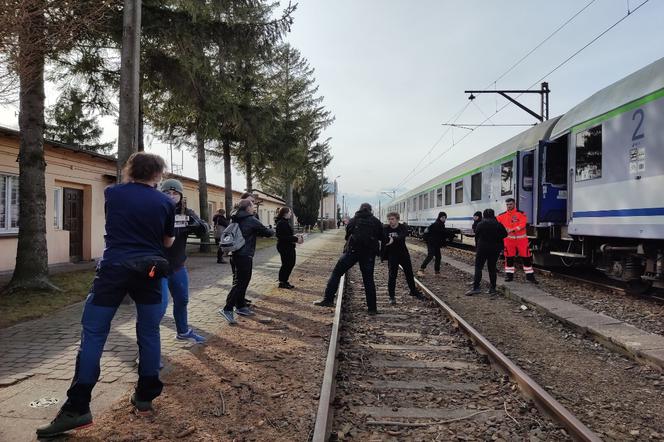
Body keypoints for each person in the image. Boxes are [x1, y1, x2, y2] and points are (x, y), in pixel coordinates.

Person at [37, 153, 175, 438]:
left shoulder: (113, 192)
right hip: (149, 270)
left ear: (130, 170)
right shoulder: (165, 202)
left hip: (113, 269)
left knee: (94, 332)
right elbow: (168, 241)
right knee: (149, 331)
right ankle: (145, 398)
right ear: (158, 175)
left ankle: (77, 408)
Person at [160, 178, 208, 344]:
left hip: (177, 266)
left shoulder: (186, 212)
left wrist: (200, 226)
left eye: (175, 193)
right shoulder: (155, 210)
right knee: (157, 307)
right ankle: (147, 350)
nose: (172, 196)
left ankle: (183, 332)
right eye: (167, 193)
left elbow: (203, 230)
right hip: (157, 267)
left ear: (181, 196)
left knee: (182, 299)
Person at [314, 203, 383, 315]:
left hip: (352, 252)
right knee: (368, 279)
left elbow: (347, 235)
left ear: (360, 209)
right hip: (369, 254)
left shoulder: (354, 219)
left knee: (336, 273)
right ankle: (372, 308)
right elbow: (381, 237)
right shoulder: (376, 221)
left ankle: (328, 299)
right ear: (370, 210)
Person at [219, 199, 274, 324]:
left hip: (235, 253)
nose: (253, 208)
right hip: (244, 255)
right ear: (248, 207)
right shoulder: (250, 219)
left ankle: (240, 306)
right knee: (241, 282)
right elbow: (267, 233)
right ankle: (227, 309)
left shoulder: (235, 217)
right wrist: (271, 230)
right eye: (252, 205)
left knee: (239, 281)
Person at [382, 212, 423, 304]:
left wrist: (392, 240)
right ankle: (391, 296)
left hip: (403, 254)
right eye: (389, 219)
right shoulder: (385, 228)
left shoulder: (402, 227)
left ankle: (413, 291)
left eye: (392, 219)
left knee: (409, 273)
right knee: (392, 275)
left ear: (397, 219)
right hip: (392, 255)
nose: (390, 221)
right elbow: (383, 238)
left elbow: (402, 237)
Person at [465, 209, 508, 296]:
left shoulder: (481, 224)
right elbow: (505, 234)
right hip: (495, 249)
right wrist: (497, 238)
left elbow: (476, 235)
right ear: (493, 215)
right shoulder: (498, 224)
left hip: (482, 249)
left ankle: (476, 288)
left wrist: (478, 246)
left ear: (484, 215)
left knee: (478, 267)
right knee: (492, 268)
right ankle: (492, 288)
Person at [497, 198, 537, 283]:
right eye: (507, 204)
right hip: (508, 240)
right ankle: (509, 276)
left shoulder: (521, 213)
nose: (509, 206)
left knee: (526, 257)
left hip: (522, 240)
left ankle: (530, 277)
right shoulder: (501, 215)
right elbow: (495, 223)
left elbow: (522, 224)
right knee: (508, 258)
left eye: (510, 204)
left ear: (514, 204)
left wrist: (512, 229)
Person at [275, 207, 303, 289]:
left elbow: (286, 235)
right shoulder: (282, 223)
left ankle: (284, 281)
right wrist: (296, 239)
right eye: (290, 212)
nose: (291, 214)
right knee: (287, 264)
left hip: (287, 246)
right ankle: (282, 282)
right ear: (285, 213)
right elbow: (282, 237)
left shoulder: (284, 222)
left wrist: (294, 237)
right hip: (285, 247)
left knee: (289, 264)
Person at [417, 212, 447, 276]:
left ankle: (437, 272)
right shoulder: (435, 224)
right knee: (430, 255)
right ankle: (421, 269)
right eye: (442, 217)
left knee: (438, 257)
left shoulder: (442, 225)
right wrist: (427, 240)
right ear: (439, 217)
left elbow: (442, 234)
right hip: (431, 243)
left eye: (445, 218)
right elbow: (426, 231)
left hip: (436, 244)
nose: (444, 219)